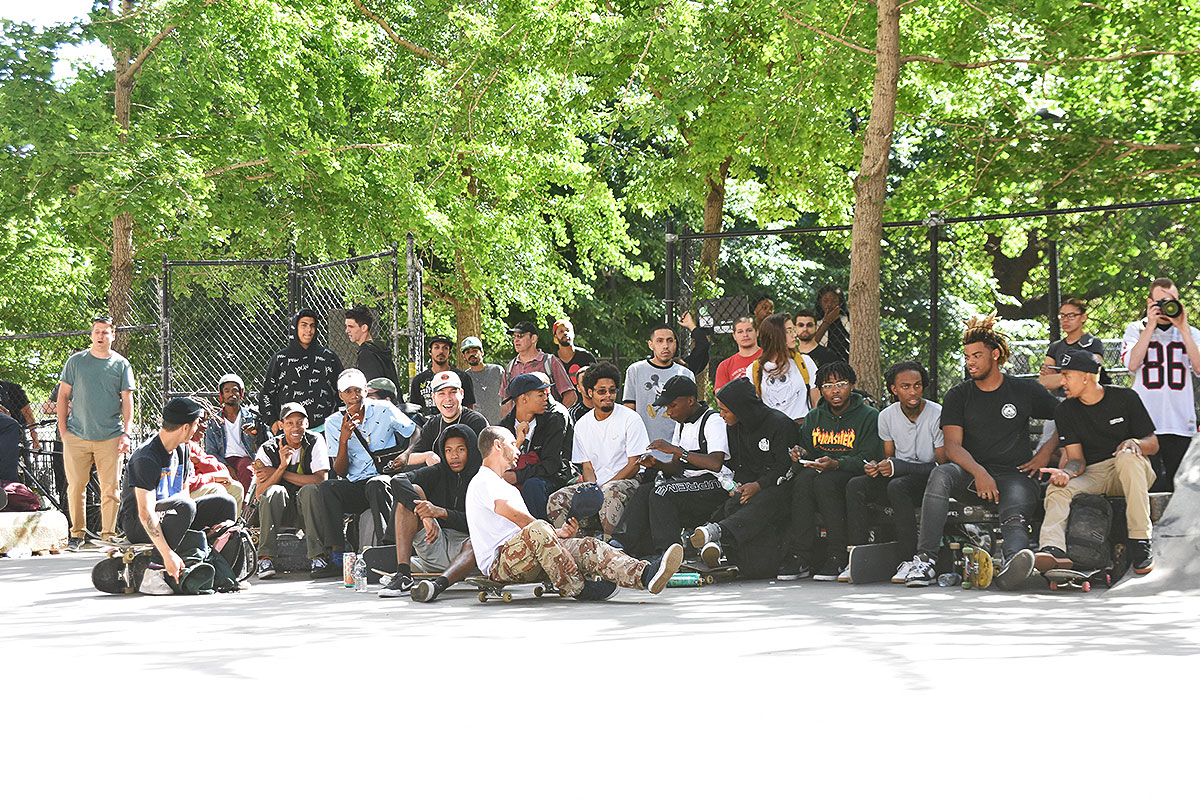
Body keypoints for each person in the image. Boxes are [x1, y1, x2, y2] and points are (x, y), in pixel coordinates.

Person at [904, 314, 1060, 589]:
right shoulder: (959, 395)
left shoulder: (1023, 390)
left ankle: (1014, 564)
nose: (970, 362)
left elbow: (1067, 416)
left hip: (1015, 475)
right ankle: (925, 559)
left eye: (977, 355)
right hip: (971, 475)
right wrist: (978, 471)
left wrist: (1045, 451)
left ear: (996, 354)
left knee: (1015, 511)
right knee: (941, 474)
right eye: (966, 356)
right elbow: (952, 445)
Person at [465, 425, 684, 602]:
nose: (518, 450)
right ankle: (580, 588)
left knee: (587, 545)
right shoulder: (483, 480)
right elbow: (514, 517)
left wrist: (559, 534)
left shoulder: (506, 486)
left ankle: (646, 575)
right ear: (497, 446)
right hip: (501, 563)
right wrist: (553, 539)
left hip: (527, 552)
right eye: (513, 444)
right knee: (539, 528)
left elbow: (527, 530)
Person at [1035, 349, 1159, 576]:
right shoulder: (1065, 410)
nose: (1062, 382)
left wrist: (1134, 443)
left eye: (1067, 376)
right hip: (1095, 472)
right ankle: (1053, 549)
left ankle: (1141, 541)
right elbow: (1076, 460)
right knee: (1058, 488)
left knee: (1127, 458)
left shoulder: (1125, 398)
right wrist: (1067, 473)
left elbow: (1153, 443)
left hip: (1134, 469)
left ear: (1086, 376)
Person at [297, 369, 416, 576]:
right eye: (348, 391)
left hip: (383, 479)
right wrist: (344, 439)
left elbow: (415, 432)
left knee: (377, 484)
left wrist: (406, 454)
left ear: (365, 390)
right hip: (357, 483)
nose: (354, 396)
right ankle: (337, 556)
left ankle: (387, 552)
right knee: (328, 488)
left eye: (358, 390)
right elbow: (340, 471)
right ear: (341, 395)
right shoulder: (333, 422)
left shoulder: (384, 409)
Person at [845, 362, 946, 584]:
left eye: (917, 386)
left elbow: (941, 465)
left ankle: (908, 560)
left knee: (897, 487)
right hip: (899, 478)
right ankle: (856, 555)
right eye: (906, 386)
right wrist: (876, 467)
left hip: (929, 482)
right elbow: (890, 458)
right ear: (894, 389)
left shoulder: (937, 414)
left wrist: (896, 467)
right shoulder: (886, 416)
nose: (912, 392)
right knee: (856, 485)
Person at [118, 398, 236, 584]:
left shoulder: (182, 450)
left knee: (225, 503)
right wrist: (167, 554)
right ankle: (154, 572)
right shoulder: (146, 457)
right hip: (138, 524)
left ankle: (225, 572)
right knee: (185, 506)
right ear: (185, 427)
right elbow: (145, 512)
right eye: (196, 425)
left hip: (173, 513)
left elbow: (184, 494)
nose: (198, 430)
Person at [690, 377, 799, 577]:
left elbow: (784, 468)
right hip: (753, 486)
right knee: (734, 503)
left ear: (741, 408)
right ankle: (717, 545)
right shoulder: (734, 427)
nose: (721, 415)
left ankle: (718, 534)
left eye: (725, 410)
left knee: (765, 500)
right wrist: (741, 485)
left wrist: (758, 485)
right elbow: (741, 464)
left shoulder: (780, 424)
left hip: (782, 487)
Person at [784, 361, 883, 580]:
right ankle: (801, 556)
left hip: (853, 474)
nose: (835, 390)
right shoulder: (814, 417)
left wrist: (837, 464)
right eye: (827, 386)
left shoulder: (869, 416)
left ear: (852, 386)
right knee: (803, 481)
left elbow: (868, 459)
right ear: (819, 390)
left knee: (824, 482)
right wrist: (800, 454)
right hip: (822, 470)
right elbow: (808, 451)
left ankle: (838, 555)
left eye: (841, 384)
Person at [616, 375, 731, 560]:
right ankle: (622, 544)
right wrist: (657, 464)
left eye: (672, 406)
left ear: (690, 401)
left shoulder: (713, 420)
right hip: (688, 482)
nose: (668, 412)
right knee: (646, 490)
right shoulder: (681, 425)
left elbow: (716, 464)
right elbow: (676, 468)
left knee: (662, 492)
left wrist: (678, 451)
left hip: (715, 483)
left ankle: (668, 554)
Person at [57, 315, 135, 550]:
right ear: (91, 335)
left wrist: (127, 433)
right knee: (76, 487)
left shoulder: (121, 364)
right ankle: (77, 535)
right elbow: (63, 396)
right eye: (96, 331)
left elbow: (127, 400)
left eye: (105, 332)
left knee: (110, 489)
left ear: (113, 336)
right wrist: (63, 430)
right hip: (76, 436)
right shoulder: (76, 362)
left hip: (110, 436)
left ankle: (108, 535)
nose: (100, 336)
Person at [548, 362, 648, 539]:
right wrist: (592, 489)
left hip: (629, 481)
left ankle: (613, 547)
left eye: (612, 390)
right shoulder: (582, 425)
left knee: (610, 492)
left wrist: (602, 489)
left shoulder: (631, 419)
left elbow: (634, 464)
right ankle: (572, 547)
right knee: (556, 499)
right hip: (597, 484)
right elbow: (587, 467)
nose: (608, 395)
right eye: (602, 391)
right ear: (589, 392)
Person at [379, 423, 481, 597]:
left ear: (470, 450)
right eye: (448, 450)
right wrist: (427, 517)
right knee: (414, 491)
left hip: (467, 553)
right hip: (435, 543)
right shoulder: (439, 471)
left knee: (477, 544)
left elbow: (480, 524)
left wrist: (441, 513)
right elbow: (398, 480)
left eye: (460, 450)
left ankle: (437, 586)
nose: (454, 456)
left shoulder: (481, 477)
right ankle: (403, 575)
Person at [1121, 277, 1200, 493]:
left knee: (1181, 489)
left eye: (1171, 300)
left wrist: (1182, 328)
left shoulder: (1191, 333)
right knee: (1149, 487)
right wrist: (1150, 326)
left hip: (1180, 422)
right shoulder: (1135, 330)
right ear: (1149, 303)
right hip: (1145, 423)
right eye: (1160, 302)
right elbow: (1132, 364)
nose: (1166, 306)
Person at [252, 402, 329, 578]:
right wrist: (281, 466)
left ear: (307, 424)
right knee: (273, 492)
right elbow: (259, 493)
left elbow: (320, 480)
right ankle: (265, 558)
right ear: (280, 426)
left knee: (309, 490)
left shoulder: (315, 441)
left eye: (299, 422)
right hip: (280, 511)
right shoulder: (267, 449)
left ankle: (318, 557)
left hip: (308, 510)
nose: (296, 427)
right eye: (289, 423)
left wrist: (282, 473)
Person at [498, 372, 575, 520]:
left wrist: (517, 476)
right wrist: (518, 443)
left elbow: (551, 465)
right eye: (541, 394)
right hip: (518, 479)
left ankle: (542, 536)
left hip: (551, 479)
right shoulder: (503, 427)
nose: (547, 398)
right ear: (524, 398)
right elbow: (498, 466)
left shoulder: (554, 421)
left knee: (532, 485)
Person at [260, 309, 343, 432]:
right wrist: (272, 421)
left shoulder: (328, 357)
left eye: (312, 326)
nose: (308, 330)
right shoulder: (281, 359)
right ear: (295, 328)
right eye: (304, 325)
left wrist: (337, 420)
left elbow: (342, 390)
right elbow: (267, 393)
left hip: (324, 429)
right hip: (289, 431)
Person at [622, 323, 694, 455]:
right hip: (644, 448)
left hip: (677, 449)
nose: (665, 345)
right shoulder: (635, 370)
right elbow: (629, 409)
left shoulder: (686, 374)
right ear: (651, 345)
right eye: (659, 341)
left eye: (670, 340)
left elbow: (691, 412)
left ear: (675, 344)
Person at [405, 371, 489, 468]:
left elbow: (489, 459)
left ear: (461, 394)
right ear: (433, 397)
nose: (448, 398)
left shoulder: (476, 422)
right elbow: (410, 458)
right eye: (441, 394)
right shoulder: (432, 424)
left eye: (453, 392)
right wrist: (427, 456)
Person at [747, 313, 818, 422]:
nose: (794, 335)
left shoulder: (805, 362)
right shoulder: (754, 370)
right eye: (789, 331)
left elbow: (816, 403)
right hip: (772, 431)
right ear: (772, 335)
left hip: (802, 428)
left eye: (793, 330)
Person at [203, 373, 263, 493]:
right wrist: (228, 467)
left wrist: (256, 431)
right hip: (223, 460)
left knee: (246, 469)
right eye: (227, 391)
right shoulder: (214, 422)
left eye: (235, 390)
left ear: (241, 394)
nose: (231, 394)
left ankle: (247, 510)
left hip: (245, 458)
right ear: (222, 395)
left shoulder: (252, 418)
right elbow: (211, 451)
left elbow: (266, 440)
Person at [501, 321, 576, 412]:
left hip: (547, 423)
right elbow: (506, 403)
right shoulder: (510, 367)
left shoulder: (550, 361)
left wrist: (556, 418)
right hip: (520, 425)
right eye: (514, 337)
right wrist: (507, 425)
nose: (516, 340)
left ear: (533, 338)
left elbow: (571, 396)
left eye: (520, 336)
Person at [1038, 298, 1108, 392]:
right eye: (1062, 316)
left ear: (1083, 317)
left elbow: (1092, 375)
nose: (1065, 320)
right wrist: (1075, 374)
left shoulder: (1093, 343)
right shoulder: (1055, 347)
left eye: (1071, 315)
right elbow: (1044, 381)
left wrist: (1057, 377)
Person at [186, 409, 245, 517]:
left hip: (197, 486)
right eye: (201, 421)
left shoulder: (192, 446)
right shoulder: (175, 446)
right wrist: (212, 478)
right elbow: (182, 485)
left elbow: (222, 471)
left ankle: (229, 530)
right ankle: (213, 531)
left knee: (236, 488)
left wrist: (199, 461)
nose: (205, 426)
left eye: (206, 421)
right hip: (181, 495)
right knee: (218, 490)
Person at [410, 334, 476, 415]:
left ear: (450, 352)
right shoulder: (419, 380)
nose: (441, 351)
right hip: (426, 426)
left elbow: (469, 409)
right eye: (437, 347)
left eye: (445, 348)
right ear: (430, 351)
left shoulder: (462, 377)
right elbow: (414, 411)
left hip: (456, 425)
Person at [344, 305, 399, 386]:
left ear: (364, 328)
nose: (347, 330)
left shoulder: (367, 354)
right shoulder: (378, 348)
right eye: (346, 326)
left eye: (351, 327)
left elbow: (372, 389)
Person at [460, 336, 504, 424]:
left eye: (475, 351)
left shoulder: (497, 370)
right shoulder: (464, 377)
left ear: (482, 352)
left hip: (500, 423)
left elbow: (507, 396)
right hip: (476, 424)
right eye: (468, 352)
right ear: (464, 356)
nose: (472, 354)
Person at [714, 317, 761, 390]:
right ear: (734, 336)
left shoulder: (770, 357)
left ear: (757, 332)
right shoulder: (725, 366)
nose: (745, 335)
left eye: (749, 330)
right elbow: (720, 396)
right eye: (740, 332)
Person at [552, 318, 597, 395]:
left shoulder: (586, 357)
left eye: (568, 330)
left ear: (573, 333)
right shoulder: (552, 360)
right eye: (561, 331)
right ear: (555, 337)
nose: (565, 333)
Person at [813, 285, 851, 363]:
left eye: (834, 301)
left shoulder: (849, 319)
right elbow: (811, 345)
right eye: (825, 301)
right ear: (820, 302)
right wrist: (827, 322)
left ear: (840, 302)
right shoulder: (815, 323)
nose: (829, 304)